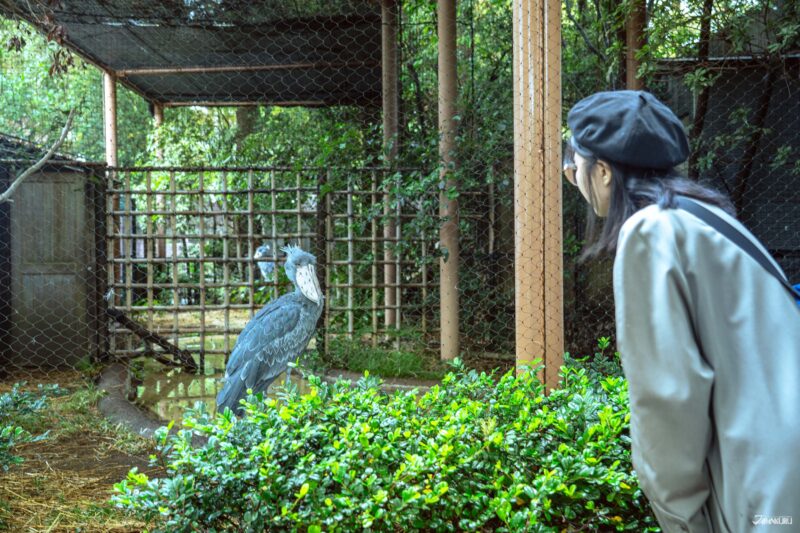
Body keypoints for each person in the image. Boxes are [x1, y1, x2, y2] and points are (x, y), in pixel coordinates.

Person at [563, 90, 800, 532]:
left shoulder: (649, 232)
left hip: (765, 492)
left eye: (573, 164)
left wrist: (681, 521)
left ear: (602, 171)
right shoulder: (709, 218)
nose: (572, 176)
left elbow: (667, 401)